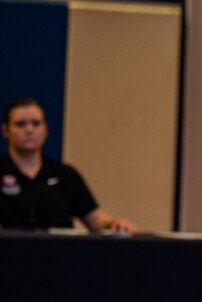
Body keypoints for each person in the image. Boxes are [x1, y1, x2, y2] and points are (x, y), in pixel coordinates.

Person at [0, 98, 136, 233]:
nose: (29, 130)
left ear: (45, 129)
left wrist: (114, 224)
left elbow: (95, 219)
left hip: (59, 251)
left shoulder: (65, 174)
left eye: (36, 124)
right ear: (5, 130)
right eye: (20, 124)